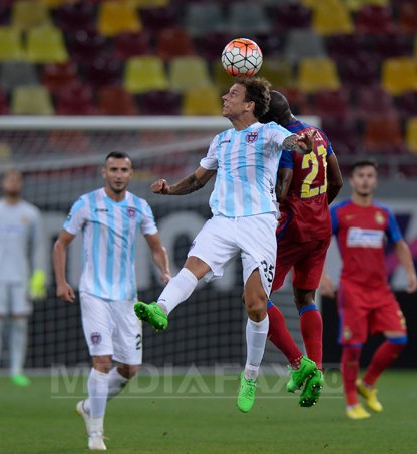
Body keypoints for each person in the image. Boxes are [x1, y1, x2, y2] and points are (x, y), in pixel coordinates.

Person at [134, 77, 316, 414]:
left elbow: (291, 142)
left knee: (256, 305)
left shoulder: (268, 132)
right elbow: (197, 180)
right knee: (193, 267)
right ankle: (160, 309)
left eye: (232, 94)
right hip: (222, 220)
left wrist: (301, 143)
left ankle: (250, 376)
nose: (224, 96)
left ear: (249, 105)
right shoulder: (220, 140)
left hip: (258, 222)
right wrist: (169, 189)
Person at [53, 151, 171, 451]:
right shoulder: (86, 203)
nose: (118, 175)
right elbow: (61, 244)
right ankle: (95, 433)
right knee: (102, 361)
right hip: (93, 293)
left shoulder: (139, 206)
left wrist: (164, 270)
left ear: (131, 174)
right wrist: (61, 281)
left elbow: (156, 247)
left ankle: (90, 407)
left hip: (126, 298)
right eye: (113, 169)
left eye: (123, 170)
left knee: (130, 368)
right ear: (104, 173)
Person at [258, 90, 343, 407]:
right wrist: (317, 208)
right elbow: (337, 181)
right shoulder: (317, 134)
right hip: (321, 226)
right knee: (305, 297)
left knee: (255, 297)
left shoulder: (286, 142)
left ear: (272, 121)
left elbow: (282, 190)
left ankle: (298, 363)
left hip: (293, 229)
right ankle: (317, 370)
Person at [320, 159, 417, 420]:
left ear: (375, 181)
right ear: (352, 180)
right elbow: (319, 244)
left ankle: (368, 383)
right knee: (353, 347)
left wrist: (410, 272)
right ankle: (352, 402)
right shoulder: (339, 212)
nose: (365, 180)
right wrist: (321, 275)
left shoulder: (383, 213)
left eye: (370, 176)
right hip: (352, 289)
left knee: (398, 339)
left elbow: (399, 244)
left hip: (381, 290)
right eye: (361, 175)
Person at [0, 169, 46, 388]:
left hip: (20, 276)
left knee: (19, 324)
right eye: (9, 179)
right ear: (2, 183)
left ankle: (16, 370)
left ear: (21, 184)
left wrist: (39, 274)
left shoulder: (31, 213)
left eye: (16, 180)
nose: (13, 183)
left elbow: (38, 247)